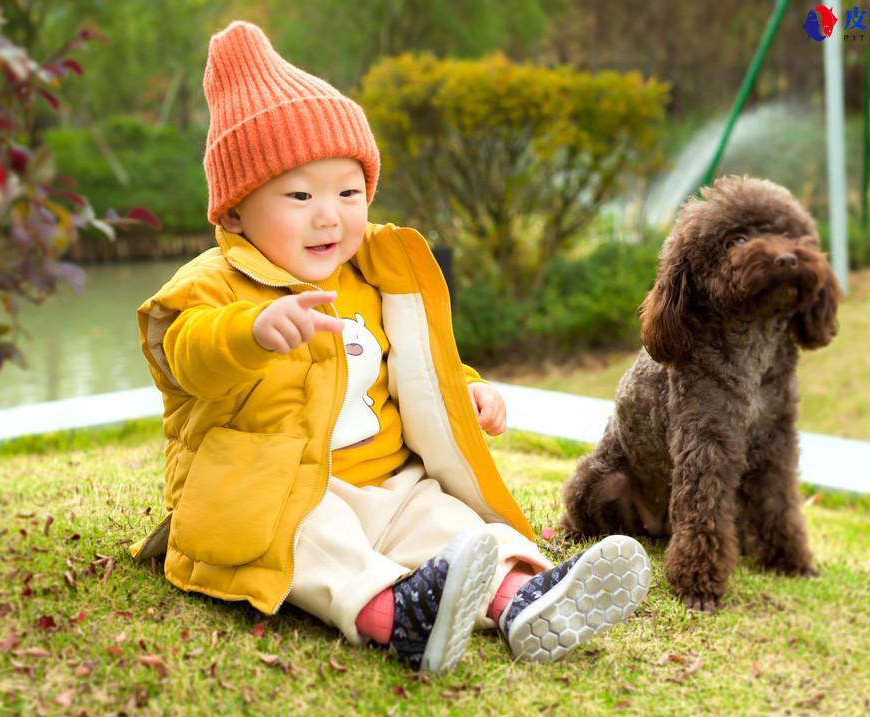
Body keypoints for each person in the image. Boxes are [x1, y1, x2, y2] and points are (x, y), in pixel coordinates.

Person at [128, 21, 651, 675]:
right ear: (234, 212)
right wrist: (249, 333)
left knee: (451, 523)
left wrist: (465, 385)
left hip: (390, 481)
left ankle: (527, 602)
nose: (330, 215)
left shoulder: (374, 270)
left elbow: (414, 357)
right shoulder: (215, 283)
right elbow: (185, 356)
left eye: (348, 192)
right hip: (283, 490)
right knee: (313, 544)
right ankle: (401, 616)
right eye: (300, 195)